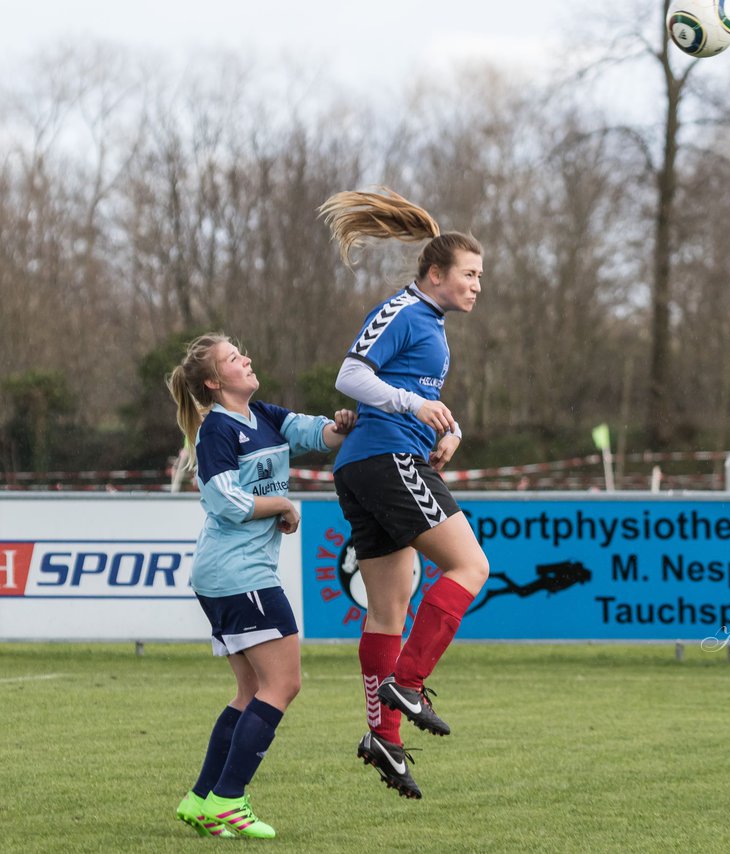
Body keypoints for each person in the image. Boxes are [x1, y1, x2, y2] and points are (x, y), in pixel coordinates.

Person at [318, 187, 491, 799]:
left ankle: (382, 736)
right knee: (470, 565)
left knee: (390, 605)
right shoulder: (404, 311)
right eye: (469, 274)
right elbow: (351, 375)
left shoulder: (432, 325)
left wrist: (447, 429)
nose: (477, 285)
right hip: (384, 460)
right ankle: (409, 684)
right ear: (436, 273)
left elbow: (410, 392)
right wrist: (415, 405)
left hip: (377, 461)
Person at [166, 332, 356, 837]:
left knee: (251, 689)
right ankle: (230, 799)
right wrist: (283, 506)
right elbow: (225, 501)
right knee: (283, 684)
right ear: (213, 381)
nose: (246, 359)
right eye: (233, 358)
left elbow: (317, 435)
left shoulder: (265, 417)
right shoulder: (218, 432)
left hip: (231, 575)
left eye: (242, 352)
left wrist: (342, 424)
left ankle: (202, 797)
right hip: (237, 575)